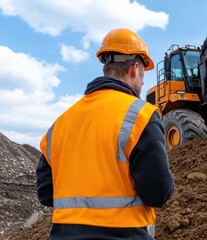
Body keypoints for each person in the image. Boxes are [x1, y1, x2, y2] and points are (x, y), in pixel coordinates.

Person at [36, 28, 175, 240]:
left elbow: (46, 192)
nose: (143, 81)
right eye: (143, 74)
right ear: (135, 69)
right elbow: (158, 193)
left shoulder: (61, 122)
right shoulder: (141, 115)